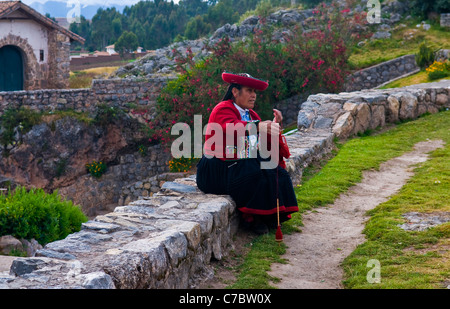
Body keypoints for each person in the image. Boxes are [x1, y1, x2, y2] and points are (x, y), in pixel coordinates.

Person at [196, 72, 299, 235]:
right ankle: (252, 218)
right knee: (252, 170)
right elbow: (232, 128)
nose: (253, 96)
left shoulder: (252, 115)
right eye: (249, 91)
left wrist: (274, 125)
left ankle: (272, 216)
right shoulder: (222, 109)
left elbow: (258, 144)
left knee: (275, 171)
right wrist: (259, 126)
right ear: (235, 92)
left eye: (254, 92)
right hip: (216, 168)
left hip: (237, 162)